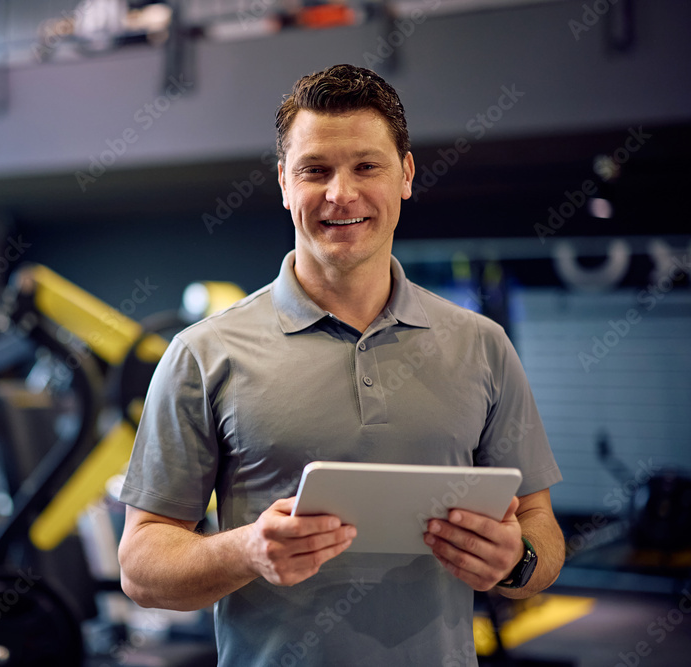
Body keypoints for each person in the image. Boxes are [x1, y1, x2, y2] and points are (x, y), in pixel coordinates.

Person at [117, 64, 564, 666]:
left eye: (366, 166)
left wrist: (518, 560)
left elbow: (541, 528)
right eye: (315, 171)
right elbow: (142, 567)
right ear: (283, 182)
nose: (340, 194)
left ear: (405, 174)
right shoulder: (202, 354)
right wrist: (248, 550)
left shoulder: (482, 345)